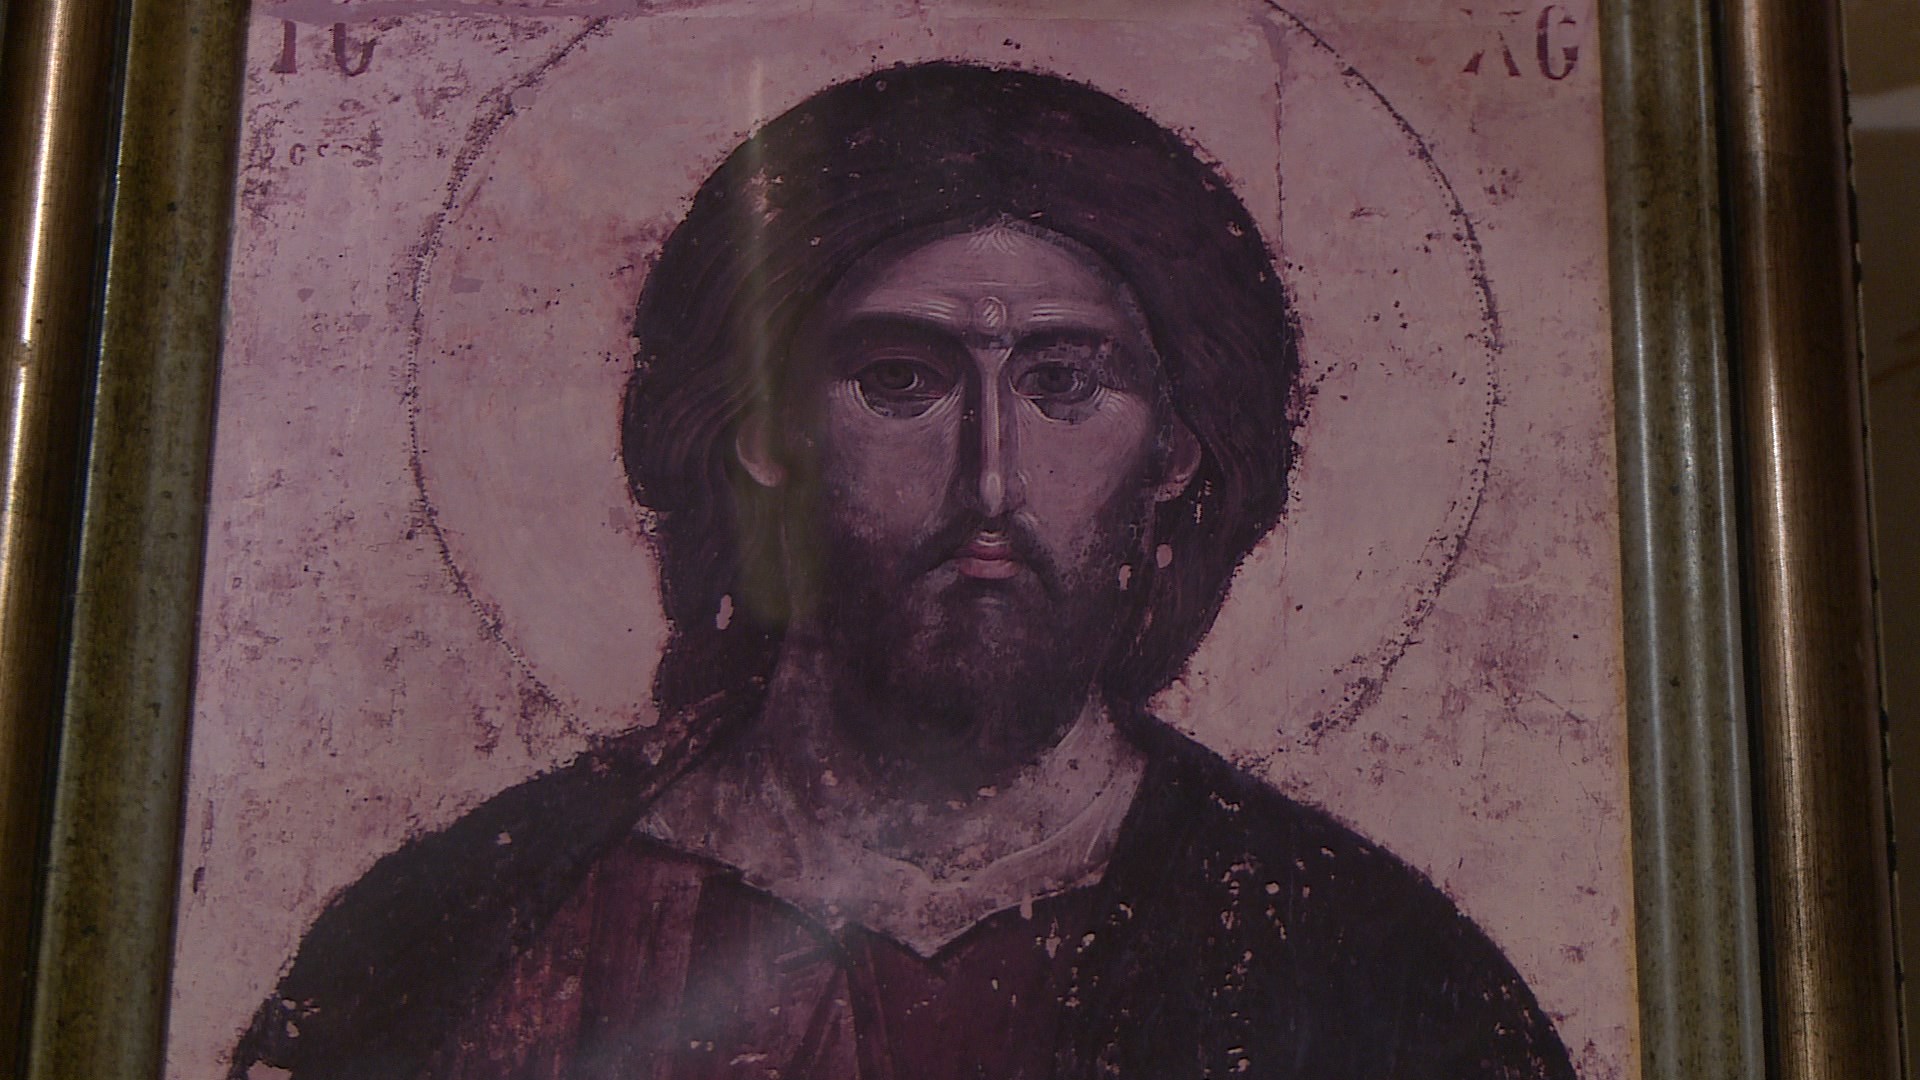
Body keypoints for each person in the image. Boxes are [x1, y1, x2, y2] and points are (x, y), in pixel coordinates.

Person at [231, 62, 1576, 1080]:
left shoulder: (1370, 970)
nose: (989, 479)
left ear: (1174, 452)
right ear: (762, 432)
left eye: (1065, 385)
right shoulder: (460, 937)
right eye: (901, 380)